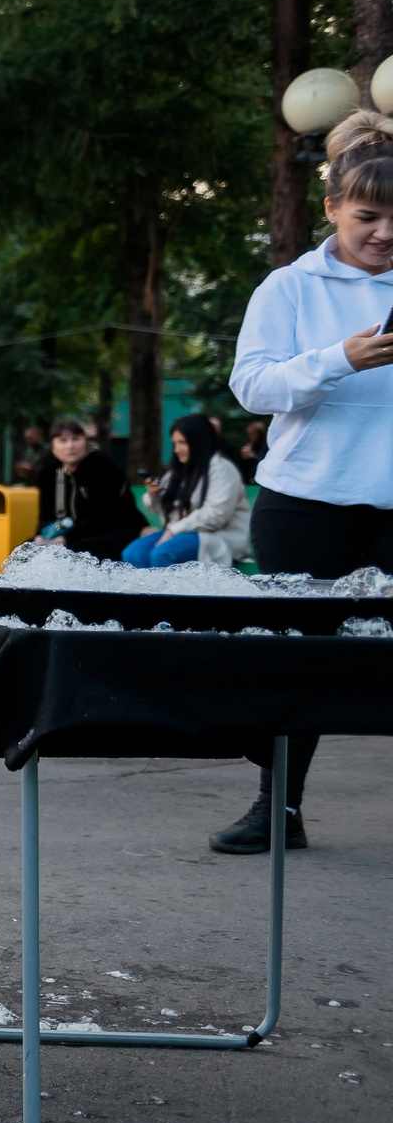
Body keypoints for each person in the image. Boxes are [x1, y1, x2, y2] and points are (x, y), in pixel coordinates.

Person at [220, 108, 393, 854]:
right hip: (306, 508)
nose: (384, 232)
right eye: (368, 216)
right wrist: (336, 360)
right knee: (296, 660)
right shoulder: (289, 288)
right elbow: (251, 387)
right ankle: (277, 808)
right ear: (331, 209)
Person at [123, 414, 249, 569]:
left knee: (162, 554)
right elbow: (164, 508)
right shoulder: (177, 470)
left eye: (182, 443)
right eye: (175, 443)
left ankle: (168, 593)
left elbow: (216, 515)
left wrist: (173, 530)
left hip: (214, 536)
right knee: (133, 554)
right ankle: (146, 593)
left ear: (199, 441)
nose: (177, 450)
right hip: (179, 532)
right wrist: (154, 495)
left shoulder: (222, 469)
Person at [36, 419, 144, 560]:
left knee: (82, 550)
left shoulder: (102, 467)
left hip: (115, 528)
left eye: (76, 439)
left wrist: (66, 538)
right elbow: (45, 516)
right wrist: (41, 536)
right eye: (62, 441)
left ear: (86, 443)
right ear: (53, 447)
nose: (70, 446)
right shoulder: (48, 472)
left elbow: (104, 517)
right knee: (27, 549)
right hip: (67, 532)